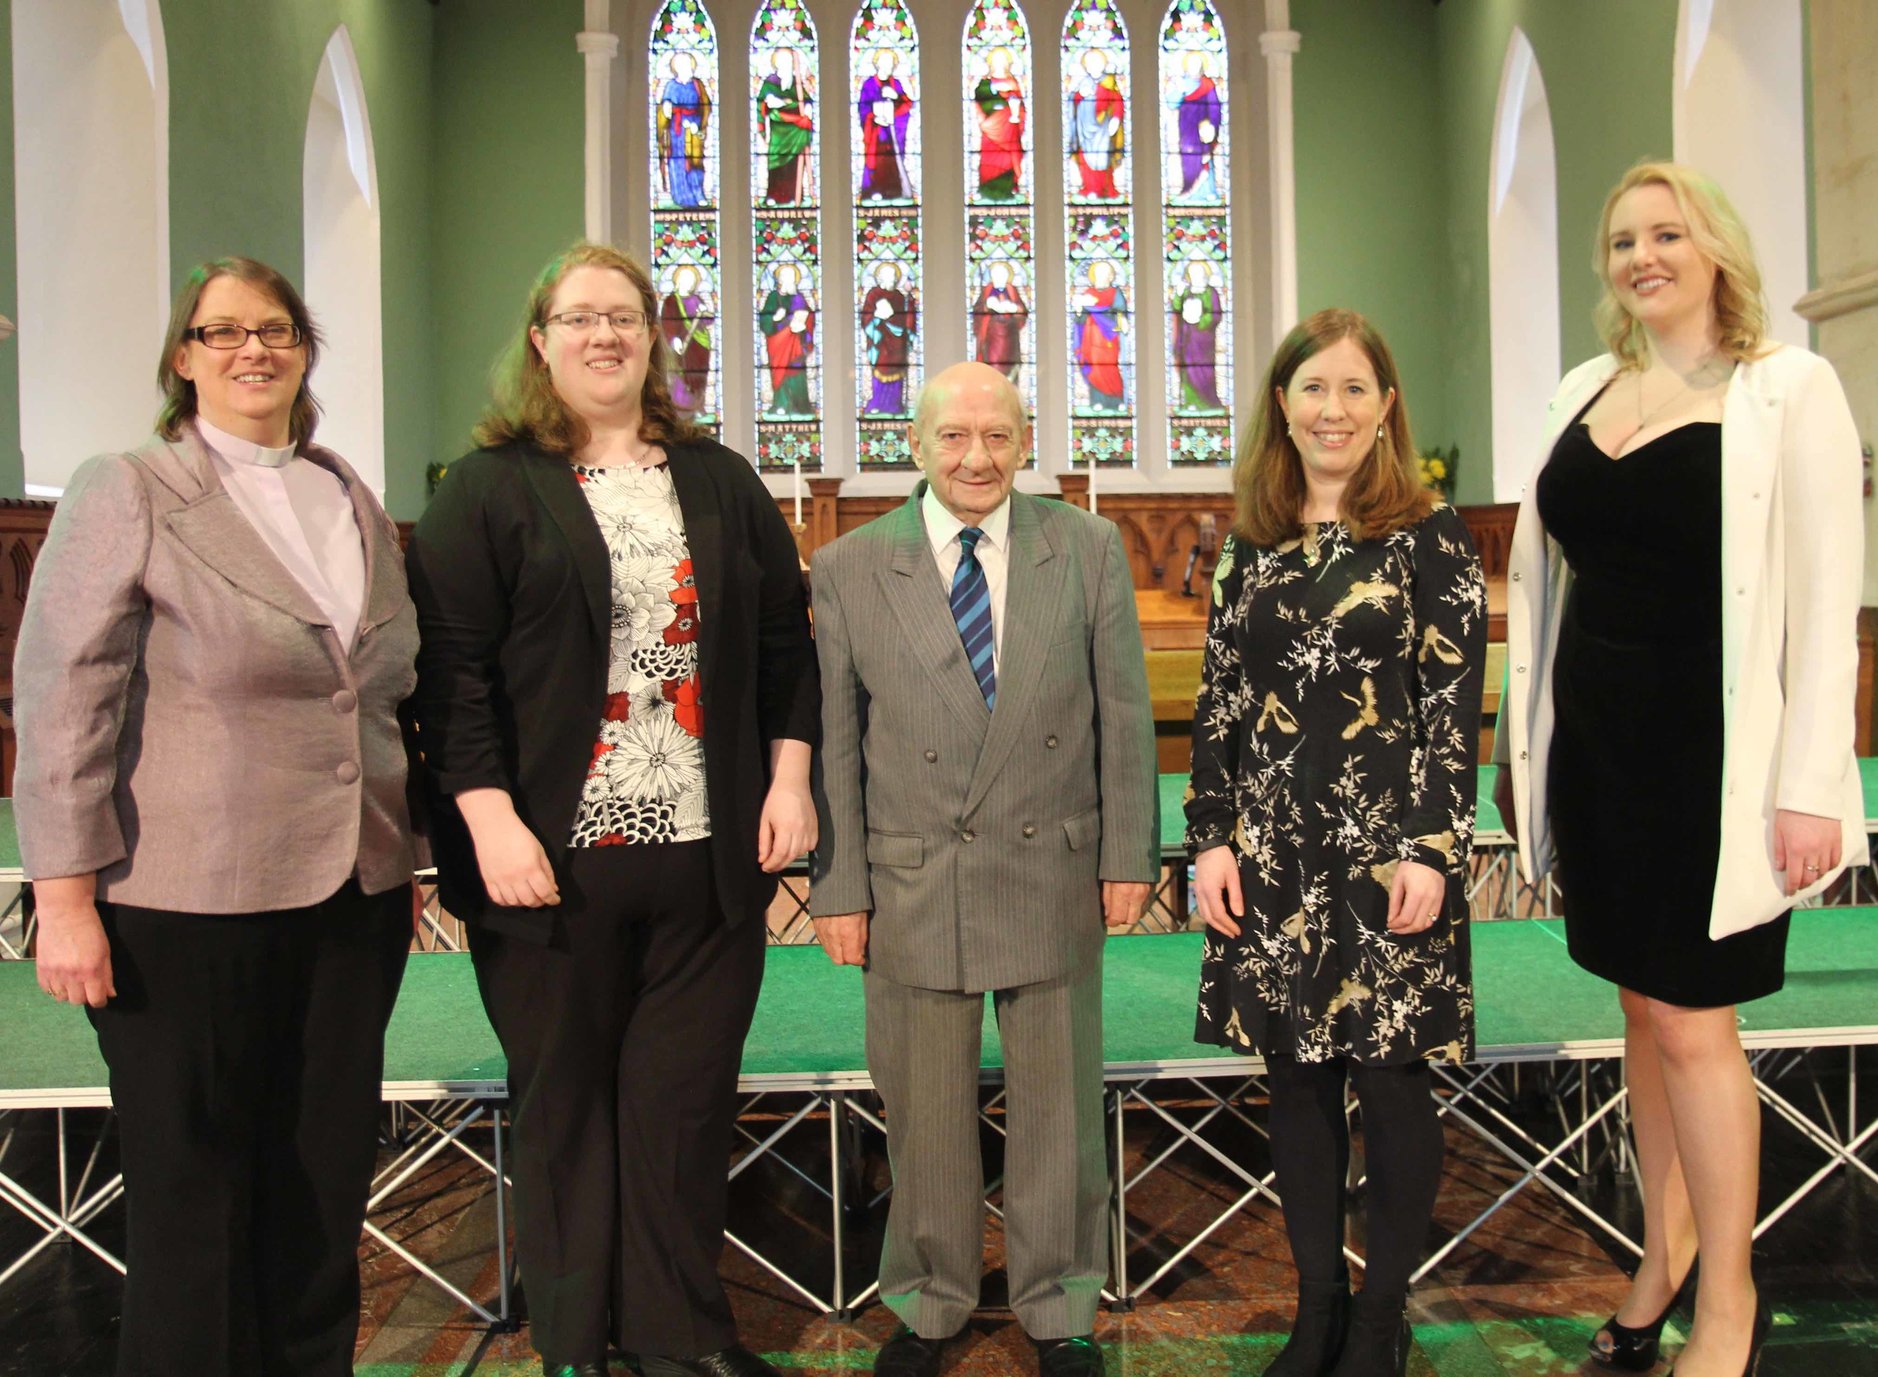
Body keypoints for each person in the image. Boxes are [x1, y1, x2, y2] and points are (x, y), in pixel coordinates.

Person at [406, 242, 818, 1377]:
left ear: (653, 341)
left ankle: (685, 1336)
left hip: (705, 857)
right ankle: (579, 1343)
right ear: (540, 341)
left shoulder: (720, 480)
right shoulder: (486, 489)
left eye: (625, 318)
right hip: (549, 864)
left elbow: (787, 641)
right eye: (579, 318)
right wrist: (488, 820)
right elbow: (452, 675)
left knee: (682, 1112)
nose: (604, 336)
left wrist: (788, 778)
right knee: (568, 1113)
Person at [14, 256, 421, 1377]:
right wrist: (63, 897)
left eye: (278, 329)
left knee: (321, 1173)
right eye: (225, 331)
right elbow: (64, 698)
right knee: (195, 1191)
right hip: (182, 901)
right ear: (183, 358)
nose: (256, 350)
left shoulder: (346, 492)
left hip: (351, 896)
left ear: (305, 350)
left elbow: (376, 689)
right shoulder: (132, 488)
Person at [1494, 162, 1865, 1377]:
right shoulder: (1587, 388)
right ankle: (1662, 1257)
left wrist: (1817, 780)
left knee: (1700, 1027)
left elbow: (1826, 600)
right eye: (1621, 241)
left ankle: (1731, 1301)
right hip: (1598, 753)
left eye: (1666, 234)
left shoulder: (1785, 388)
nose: (1642, 255)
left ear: (1715, 247)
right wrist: (1527, 755)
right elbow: (1543, 591)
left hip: (1711, 762)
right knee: (1642, 1016)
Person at [810, 361, 1158, 1377]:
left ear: (1027, 440)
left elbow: (1124, 714)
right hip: (912, 871)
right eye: (953, 437)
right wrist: (839, 888)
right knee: (924, 1112)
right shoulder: (849, 567)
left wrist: (1129, 853)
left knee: (1058, 1107)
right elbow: (836, 742)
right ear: (912, 446)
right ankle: (928, 1301)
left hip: (1052, 858)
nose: (976, 457)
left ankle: (1059, 1306)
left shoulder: (1085, 549)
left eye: (998, 436)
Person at [1187, 309, 1487, 1377]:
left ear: (1386, 409)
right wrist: (1209, 841)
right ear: (1283, 404)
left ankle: (1381, 1316)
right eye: (1315, 388)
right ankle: (1318, 1305)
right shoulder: (1249, 546)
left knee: (1393, 1077)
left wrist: (1434, 849)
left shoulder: (1432, 539)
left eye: (1357, 389)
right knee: (1299, 1080)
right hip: (1272, 852)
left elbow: (1453, 711)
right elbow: (1219, 703)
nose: (1334, 409)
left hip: (1386, 852)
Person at [757, 47, 813, 205]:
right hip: (778, 131)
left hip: (797, 130)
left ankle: (795, 196)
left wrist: (807, 107)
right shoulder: (769, 83)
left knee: (794, 164)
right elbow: (761, 105)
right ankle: (773, 196)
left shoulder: (797, 83)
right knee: (775, 161)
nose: (786, 64)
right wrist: (771, 106)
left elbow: (806, 101)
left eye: (788, 61)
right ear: (776, 63)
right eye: (782, 61)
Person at [760, 261, 816, 417]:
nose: (789, 280)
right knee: (780, 373)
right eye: (785, 277)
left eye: (791, 277)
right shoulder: (773, 297)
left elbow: (810, 316)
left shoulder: (799, 297)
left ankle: (800, 406)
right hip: (778, 343)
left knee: (796, 372)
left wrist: (804, 324)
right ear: (779, 280)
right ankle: (781, 404)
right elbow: (764, 321)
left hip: (797, 343)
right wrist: (776, 319)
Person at [1067, 49, 1125, 199]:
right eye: (1090, 62)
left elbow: (1117, 100)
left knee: (1105, 156)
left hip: (1104, 126)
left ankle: (1106, 189)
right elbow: (1073, 101)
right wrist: (1080, 95)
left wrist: (1116, 119)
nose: (1094, 65)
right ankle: (1090, 188)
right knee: (1085, 157)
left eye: (1097, 62)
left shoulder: (1109, 82)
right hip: (1084, 127)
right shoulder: (1084, 83)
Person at [657, 51, 712, 209]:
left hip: (694, 129)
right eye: (681, 64)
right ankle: (681, 196)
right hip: (677, 132)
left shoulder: (697, 85)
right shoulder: (671, 86)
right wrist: (667, 107)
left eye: (687, 64)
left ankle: (698, 193)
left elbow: (706, 106)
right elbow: (665, 108)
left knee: (695, 162)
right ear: (675, 68)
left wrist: (699, 125)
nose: (685, 67)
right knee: (678, 162)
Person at [861, 261, 916, 416]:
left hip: (897, 343)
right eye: (886, 275)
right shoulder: (873, 295)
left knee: (897, 372)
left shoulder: (900, 297)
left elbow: (906, 321)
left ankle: (895, 405)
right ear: (880, 277)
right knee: (880, 369)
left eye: (892, 275)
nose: (890, 278)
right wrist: (877, 316)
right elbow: (866, 317)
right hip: (879, 341)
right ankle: (878, 403)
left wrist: (910, 300)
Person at [858, 50, 913, 201]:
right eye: (885, 62)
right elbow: (863, 109)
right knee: (877, 160)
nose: (889, 66)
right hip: (876, 132)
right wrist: (874, 118)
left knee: (893, 161)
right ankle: (874, 190)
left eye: (891, 63)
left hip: (893, 131)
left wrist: (896, 96)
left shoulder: (896, 84)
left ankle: (895, 190)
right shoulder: (869, 84)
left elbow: (907, 104)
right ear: (878, 64)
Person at [659, 262, 714, 416]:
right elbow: (667, 321)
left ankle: (698, 406)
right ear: (678, 281)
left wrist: (704, 313)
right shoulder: (671, 300)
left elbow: (708, 321)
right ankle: (681, 408)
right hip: (681, 342)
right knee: (681, 373)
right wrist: (673, 338)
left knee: (699, 374)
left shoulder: (697, 299)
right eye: (685, 279)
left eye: (691, 280)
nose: (688, 283)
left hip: (700, 342)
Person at [1170, 258, 1224, 413]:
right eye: (1192, 273)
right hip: (1187, 340)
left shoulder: (1210, 292)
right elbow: (1176, 310)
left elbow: (1216, 314)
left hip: (1204, 341)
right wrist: (1178, 295)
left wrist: (1200, 320)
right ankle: (1189, 403)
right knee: (1188, 371)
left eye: (1199, 272)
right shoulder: (1186, 292)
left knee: (1204, 371)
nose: (1196, 275)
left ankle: (1208, 402)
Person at [1073, 260, 1128, 412]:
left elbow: (1120, 312)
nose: (1101, 277)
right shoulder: (1087, 294)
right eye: (1098, 274)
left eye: (1104, 274)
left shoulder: (1115, 293)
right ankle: (1097, 400)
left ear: (1111, 277)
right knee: (1094, 368)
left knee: (1110, 367)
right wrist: (1079, 310)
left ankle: (1116, 400)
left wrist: (1120, 318)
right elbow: (1079, 320)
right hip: (1090, 339)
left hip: (1109, 338)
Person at [972, 46, 1026, 201]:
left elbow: (1020, 105)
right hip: (990, 128)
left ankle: (1008, 189)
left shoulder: (1013, 83)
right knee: (989, 160)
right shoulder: (985, 83)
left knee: (1008, 159)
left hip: (1009, 128)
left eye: (1002, 60)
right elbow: (980, 98)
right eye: (996, 60)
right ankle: (987, 189)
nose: (999, 63)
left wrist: (1012, 108)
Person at [1168, 51, 1221, 201]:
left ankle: (1207, 192)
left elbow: (1215, 107)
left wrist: (1212, 124)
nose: (1194, 67)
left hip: (1203, 127)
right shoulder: (1182, 84)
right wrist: (1179, 90)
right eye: (1191, 64)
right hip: (1186, 128)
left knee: (1204, 157)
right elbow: (1171, 102)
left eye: (1197, 64)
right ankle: (1189, 189)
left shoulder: (1208, 85)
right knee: (1188, 156)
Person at [971, 259, 1030, 383]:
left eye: (1002, 274)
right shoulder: (987, 290)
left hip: (1010, 336)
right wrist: (987, 306)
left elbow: (1022, 311)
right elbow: (978, 310)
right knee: (992, 366)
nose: (999, 277)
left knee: (1010, 366)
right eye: (996, 274)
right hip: (992, 336)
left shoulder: (1012, 290)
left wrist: (1013, 308)